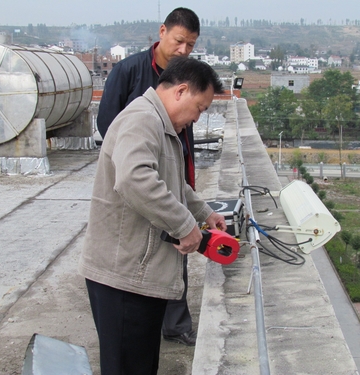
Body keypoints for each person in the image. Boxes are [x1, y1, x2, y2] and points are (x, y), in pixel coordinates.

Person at [78, 56, 226, 375]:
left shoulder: (160, 125)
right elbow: (135, 178)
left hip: (135, 275)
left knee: (140, 365)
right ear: (181, 91)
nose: (197, 118)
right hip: (123, 278)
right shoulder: (143, 119)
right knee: (128, 367)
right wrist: (185, 225)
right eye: (200, 108)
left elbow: (172, 181)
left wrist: (203, 212)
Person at [96, 7, 201, 346]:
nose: (183, 50)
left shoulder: (184, 75)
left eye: (191, 45)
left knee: (177, 251)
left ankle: (174, 324)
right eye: (179, 41)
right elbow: (110, 127)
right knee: (148, 250)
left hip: (173, 174)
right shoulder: (130, 74)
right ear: (162, 32)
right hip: (138, 177)